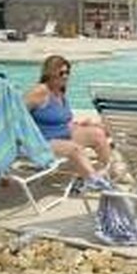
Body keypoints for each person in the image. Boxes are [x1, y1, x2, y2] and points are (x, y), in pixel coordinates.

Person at [25, 55, 111, 186]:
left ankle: (107, 171)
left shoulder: (59, 92)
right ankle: (95, 182)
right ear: (50, 73)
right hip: (43, 142)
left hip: (63, 136)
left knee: (98, 133)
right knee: (74, 149)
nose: (65, 76)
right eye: (61, 73)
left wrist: (81, 124)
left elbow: (64, 121)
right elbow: (16, 114)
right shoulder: (40, 91)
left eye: (67, 72)